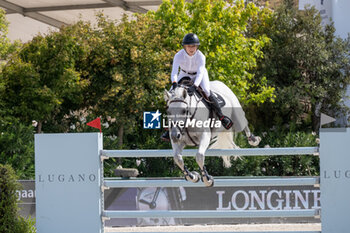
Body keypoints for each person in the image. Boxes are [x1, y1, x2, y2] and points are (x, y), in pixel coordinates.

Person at [161, 33, 233, 141]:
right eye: (189, 46)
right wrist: (174, 83)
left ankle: (222, 117)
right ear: (184, 47)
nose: (191, 48)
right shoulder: (178, 55)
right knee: (170, 96)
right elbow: (174, 72)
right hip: (184, 74)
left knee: (207, 91)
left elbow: (200, 74)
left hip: (200, 75)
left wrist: (195, 86)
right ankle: (169, 128)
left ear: (197, 46)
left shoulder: (201, 56)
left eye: (194, 46)